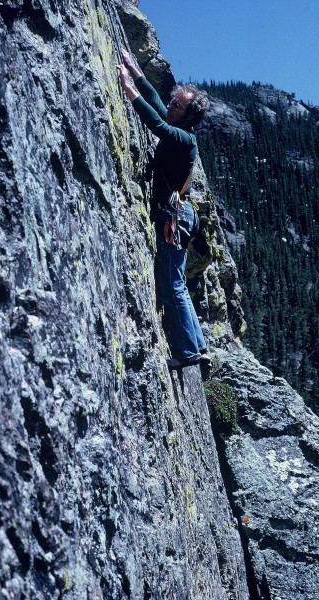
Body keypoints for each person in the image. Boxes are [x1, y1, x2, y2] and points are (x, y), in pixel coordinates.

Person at [117, 49, 211, 369]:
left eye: (177, 106)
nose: (171, 107)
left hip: (176, 215)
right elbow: (157, 104)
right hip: (181, 213)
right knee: (178, 282)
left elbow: (157, 124)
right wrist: (137, 72)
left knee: (171, 283)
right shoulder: (180, 129)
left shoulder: (183, 138)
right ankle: (198, 344)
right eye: (174, 103)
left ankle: (187, 353)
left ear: (188, 117)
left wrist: (128, 89)